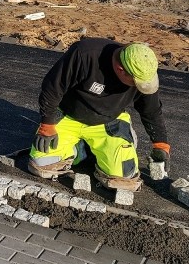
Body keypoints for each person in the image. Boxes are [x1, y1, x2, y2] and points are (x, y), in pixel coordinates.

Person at [29, 38, 170, 192]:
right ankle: (81, 149)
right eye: (136, 83)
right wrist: (47, 125)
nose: (139, 86)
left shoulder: (143, 71)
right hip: (69, 116)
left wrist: (160, 144)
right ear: (120, 69)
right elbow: (52, 88)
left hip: (110, 121)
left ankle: (118, 139)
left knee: (122, 179)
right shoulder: (85, 54)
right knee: (42, 164)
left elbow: (151, 110)